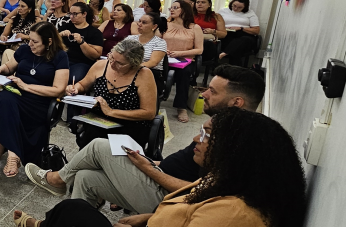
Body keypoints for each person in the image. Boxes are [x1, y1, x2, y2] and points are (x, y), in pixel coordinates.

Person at [17, 107, 306, 227]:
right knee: (85, 183)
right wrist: (143, 219)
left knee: (72, 211)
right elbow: (187, 206)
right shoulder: (233, 182)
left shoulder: (237, 214)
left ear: (237, 152)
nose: (196, 139)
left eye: (206, 136)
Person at [26, 65, 266, 215]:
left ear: (237, 103)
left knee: (100, 146)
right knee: (85, 177)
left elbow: (203, 191)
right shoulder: (224, 127)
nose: (203, 94)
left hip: (167, 197)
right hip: (158, 175)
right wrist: (153, 163)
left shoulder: (236, 141)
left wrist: (149, 169)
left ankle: (56, 179)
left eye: (213, 91)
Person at [0, 22, 69, 186]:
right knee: (5, 99)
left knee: (4, 105)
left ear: (49, 41)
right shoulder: (24, 50)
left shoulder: (60, 57)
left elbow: (59, 90)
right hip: (16, 97)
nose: (30, 44)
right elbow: (8, 68)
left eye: (35, 42)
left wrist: (26, 86)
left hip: (39, 102)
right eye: (29, 40)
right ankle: (10, 156)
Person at [66, 39, 157, 148]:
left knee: (112, 150)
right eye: (111, 57)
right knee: (92, 142)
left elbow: (149, 112)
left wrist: (112, 112)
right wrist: (75, 88)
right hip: (98, 120)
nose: (112, 64)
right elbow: (83, 85)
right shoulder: (101, 65)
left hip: (129, 124)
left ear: (134, 63)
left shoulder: (144, 74)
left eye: (120, 63)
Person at [59, 2, 104, 130]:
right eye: (70, 14)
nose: (71, 17)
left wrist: (82, 42)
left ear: (84, 14)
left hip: (83, 63)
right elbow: (50, 43)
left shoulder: (94, 33)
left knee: (75, 79)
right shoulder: (65, 27)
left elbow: (95, 55)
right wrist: (59, 36)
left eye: (75, 14)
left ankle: (72, 118)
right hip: (63, 60)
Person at [164, 0, 204, 122]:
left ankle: (181, 107)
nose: (171, 10)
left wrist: (180, 53)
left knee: (184, 74)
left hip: (185, 60)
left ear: (185, 10)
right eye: (171, 7)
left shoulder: (195, 28)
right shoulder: (165, 24)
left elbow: (199, 50)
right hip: (165, 58)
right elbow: (156, 41)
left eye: (175, 7)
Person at [217, 0, 260, 65]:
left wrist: (241, 28)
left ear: (245, 7)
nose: (235, 8)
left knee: (243, 41)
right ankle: (233, 70)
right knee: (236, 48)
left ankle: (226, 53)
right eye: (234, 6)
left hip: (244, 34)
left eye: (239, 7)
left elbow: (256, 30)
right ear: (231, 3)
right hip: (227, 34)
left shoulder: (250, 14)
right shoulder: (223, 11)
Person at [194, 0, 226, 68]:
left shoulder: (216, 16)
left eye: (203, 2)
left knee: (206, 44)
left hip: (207, 43)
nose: (200, 4)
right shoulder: (189, 15)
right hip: (191, 40)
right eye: (197, 2)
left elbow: (223, 34)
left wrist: (213, 31)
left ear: (209, 4)